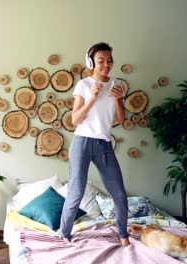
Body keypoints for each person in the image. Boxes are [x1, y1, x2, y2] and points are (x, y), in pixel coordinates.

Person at [57, 42, 130, 246]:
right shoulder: (83, 85)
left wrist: (118, 100)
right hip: (82, 142)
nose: (106, 64)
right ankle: (64, 233)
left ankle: (123, 234)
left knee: (119, 194)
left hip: (104, 145)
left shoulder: (117, 84)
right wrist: (93, 97)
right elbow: (75, 120)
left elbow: (122, 119)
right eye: (101, 61)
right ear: (91, 62)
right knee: (76, 192)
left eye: (109, 61)